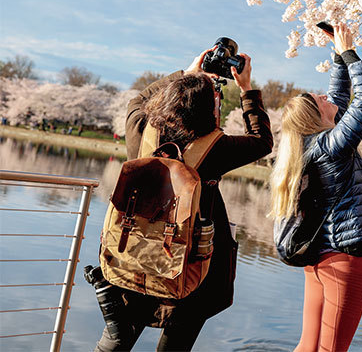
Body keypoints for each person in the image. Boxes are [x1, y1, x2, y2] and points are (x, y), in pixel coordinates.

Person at [93, 49, 273, 352]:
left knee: (118, 338)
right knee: (176, 342)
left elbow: (137, 100)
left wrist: (186, 74)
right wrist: (247, 89)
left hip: (134, 253)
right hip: (190, 267)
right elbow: (261, 140)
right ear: (211, 108)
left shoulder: (140, 129)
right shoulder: (216, 148)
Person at [270, 24, 362, 352]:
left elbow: (340, 97)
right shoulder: (332, 146)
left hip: (319, 258)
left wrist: (336, 57)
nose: (325, 96)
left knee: (309, 345)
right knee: (332, 349)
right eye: (318, 100)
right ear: (316, 117)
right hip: (345, 259)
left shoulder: (309, 146)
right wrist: (350, 55)